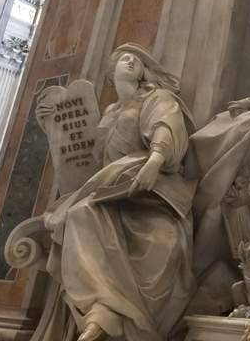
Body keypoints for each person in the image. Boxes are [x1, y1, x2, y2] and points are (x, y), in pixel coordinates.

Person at [39, 43, 196, 341]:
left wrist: (154, 161)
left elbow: (166, 125)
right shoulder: (110, 111)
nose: (131, 62)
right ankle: (102, 311)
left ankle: (115, 317)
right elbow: (83, 158)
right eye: (124, 59)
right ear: (111, 74)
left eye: (136, 60)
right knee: (79, 214)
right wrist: (51, 121)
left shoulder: (156, 97)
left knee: (162, 242)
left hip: (149, 191)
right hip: (110, 191)